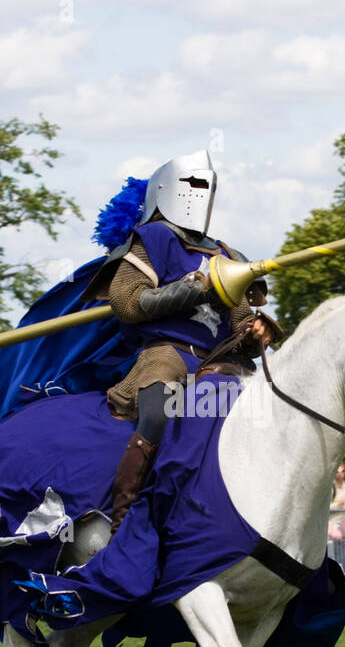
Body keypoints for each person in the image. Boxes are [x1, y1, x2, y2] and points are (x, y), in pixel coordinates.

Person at [86, 151, 277, 533]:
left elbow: (239, 326)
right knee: (158, 415)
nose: (198, 196)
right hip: (167, 354)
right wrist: (197, 288)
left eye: (206, 187)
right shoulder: (152, 239)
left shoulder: (224, 254)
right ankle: (122, 518)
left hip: (220, 362)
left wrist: (255, 333)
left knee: (267, 416)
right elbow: (129, 303)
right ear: (164, 190)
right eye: (190, 185)